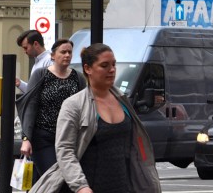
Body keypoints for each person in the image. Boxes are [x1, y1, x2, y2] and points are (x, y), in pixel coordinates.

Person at [29, 43, 162, 193]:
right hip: (90, 187)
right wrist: (81, 187)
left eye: (113, 64)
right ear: (88, 69)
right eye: (104, 65)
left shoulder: (122, 99)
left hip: (123, 186)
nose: (111, 70)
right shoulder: (74, 105)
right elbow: (65, 150)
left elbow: (135, 148)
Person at [17, 38, 87, 182]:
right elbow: (31, 106)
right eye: (63, 52)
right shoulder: (41, 75)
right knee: (54, 179)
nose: (67, 55)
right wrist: (26, 139)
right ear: (53, 56)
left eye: (69, 52)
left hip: (68, 138)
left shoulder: (78, 77)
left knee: (57, 181)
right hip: (44, 138)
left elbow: (84, 107)